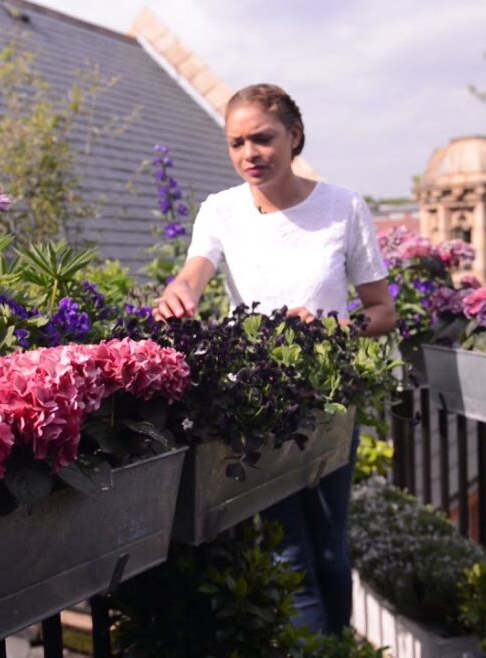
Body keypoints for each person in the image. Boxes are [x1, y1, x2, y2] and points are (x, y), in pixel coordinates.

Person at [154, 83, 396, 634]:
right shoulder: (221, 210)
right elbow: (194, 272)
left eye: (262, 139)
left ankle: (336, 644)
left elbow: (382, 311)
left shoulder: (343, 207)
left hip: (330, 404)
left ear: (295, 136)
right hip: (259, 408)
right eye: (236, 143)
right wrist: (181, 292)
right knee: (289, 553)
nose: (249, 154)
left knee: (331, 550)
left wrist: (337, 328)